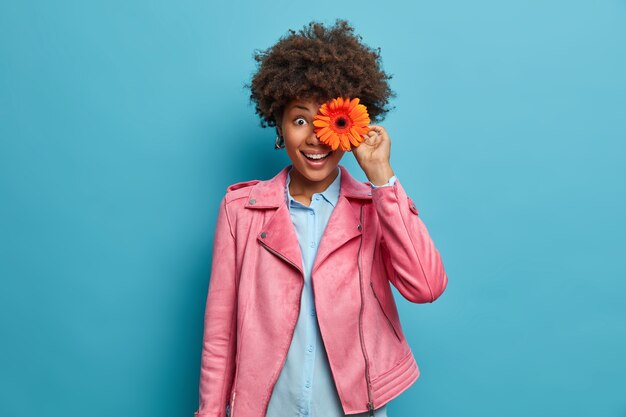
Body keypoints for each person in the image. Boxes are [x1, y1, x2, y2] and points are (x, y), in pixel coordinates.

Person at [194, 19, 448, 417]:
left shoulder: (375, 206)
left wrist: (381, 176)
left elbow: (426, 286)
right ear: (278, 125)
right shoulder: (239, 211)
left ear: (351, 127)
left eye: (329, 122)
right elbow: (219, 335)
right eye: (299, 120)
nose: (314, 137)